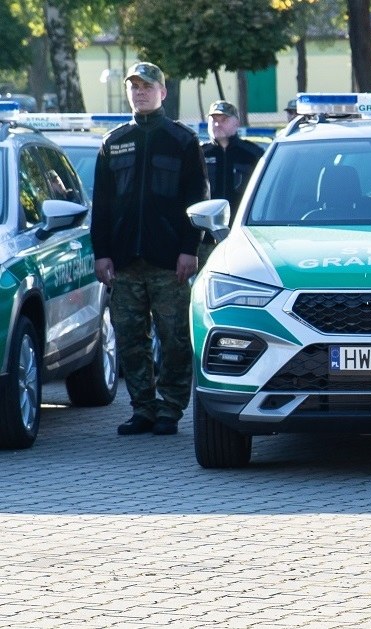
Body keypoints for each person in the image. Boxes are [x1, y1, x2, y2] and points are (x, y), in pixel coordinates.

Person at [91, 62, 208, 436]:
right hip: (125, 260)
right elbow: (103, 204)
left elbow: (197, 200)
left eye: (147, 86)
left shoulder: (182, 140)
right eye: (134, 87)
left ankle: (170, 409)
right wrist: (101, 253)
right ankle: (142, 407)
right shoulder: (113, 142)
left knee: (174, 338)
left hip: (169, 260)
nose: (140, 92)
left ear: (163, 92)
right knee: (129, 337)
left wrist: (190, 249)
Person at [200, 99, 264, 261]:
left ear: (236, 123)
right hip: (205, 239)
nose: (217, 124)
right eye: (213, 120)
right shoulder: (199, 154)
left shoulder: (252, 154)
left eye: (224, 120)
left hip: (242, 236)